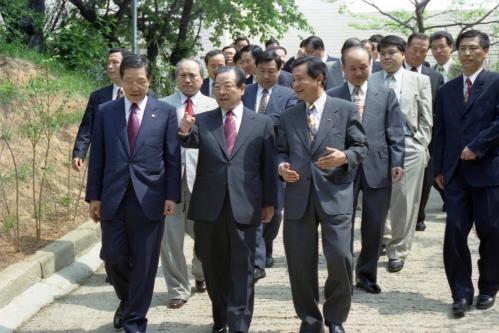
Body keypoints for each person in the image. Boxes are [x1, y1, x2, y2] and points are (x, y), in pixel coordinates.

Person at [85, 54, 181, 333]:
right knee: (113, 256)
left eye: (141, 81)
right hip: (113, 197)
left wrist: (171, 196)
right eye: (129, 81)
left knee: (145, 262)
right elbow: (98, 157)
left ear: (150, 80)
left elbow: (172, 158)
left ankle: (135, 321)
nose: (135, 87)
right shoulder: (106, 111)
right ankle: (128, 301)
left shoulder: (163, 112)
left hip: (150, 198)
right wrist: (94, 196)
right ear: (120, 80)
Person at [178, 66, 277, 333]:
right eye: (217, 86)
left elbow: (268, 167)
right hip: (209, 208)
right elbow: (190, 141)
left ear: (242, 89)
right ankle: (221, 316)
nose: (221, 92)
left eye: (227, 86)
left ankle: (239, 324)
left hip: (245, 207)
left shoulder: (262, 123)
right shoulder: (203, 119)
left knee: (243, 271)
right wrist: (185, 131)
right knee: (213, 267)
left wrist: (270, 203)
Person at [277, 56, 368, 333]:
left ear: (319, 79)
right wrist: (281, 167)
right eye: (293, 79)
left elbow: (361, 146)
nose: (295, 85)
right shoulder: (288, 114)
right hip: (298, 197)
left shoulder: (345, 109)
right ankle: (309, 319)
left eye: (300, 79)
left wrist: (344, 156)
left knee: (341, 257)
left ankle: (336, 317)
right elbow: (280, 150)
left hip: (335, 195)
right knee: (299, 264)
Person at [327, 45, 405, 294]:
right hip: (342, 167)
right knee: (341, 224)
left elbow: (395, 131)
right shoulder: (333, 95)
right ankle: (341, 277)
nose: (359, 73)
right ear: (342, 69)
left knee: (374, 225)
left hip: (378, 166)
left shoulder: (385, 92)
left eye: (364, 67)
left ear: (371, 65)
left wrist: (397, 162)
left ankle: (366, 275)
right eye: (353, 68)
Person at [433, 29, 499, 318]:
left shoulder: (496, 83)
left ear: (485, 52)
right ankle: (460, 293)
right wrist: (437, 168)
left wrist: (477, 146)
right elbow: (440, 131)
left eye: (473, 48)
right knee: (455, 233)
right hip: (455, 174)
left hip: (488, 171)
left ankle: (488, 288)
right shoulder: (446, 90)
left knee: (492, 231)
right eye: (463, 48)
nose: (467, 53)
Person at [159, 59, 218, 309]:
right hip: (169, 183)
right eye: (182, 75)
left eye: (193, 75)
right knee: (170, 238)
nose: (187, 79)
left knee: (203, 236)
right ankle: (177, 289)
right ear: (176, 78)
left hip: (203, 181)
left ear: (202, 78)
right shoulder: (161, 106)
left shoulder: (214, 106)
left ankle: (201, 273)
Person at [371, 35, 432, 273]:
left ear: (403, 54)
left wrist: (421, 143)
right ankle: (384, 240)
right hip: (377, 147)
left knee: (404, 200)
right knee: (378, 197)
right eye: (383, 53)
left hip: (409, 145)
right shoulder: (371, 80)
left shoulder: (419, 80)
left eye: (392, 53)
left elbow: (426, 116)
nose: (387, 57)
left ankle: (399, 249)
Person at [241, 50, 298, 279]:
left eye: (271, 71)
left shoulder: (289, 94)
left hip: (275, 157)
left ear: (279, 69)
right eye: (261, 71)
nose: (265, 76)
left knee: (274, 209)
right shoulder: (245, 91)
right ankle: (256, 253)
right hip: (245, 156)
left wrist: (254, 120)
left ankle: (265, 245)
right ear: (254, 69)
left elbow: (286, 120)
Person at [403, 32, 445, 232]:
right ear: (405, 49)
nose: (418, 55)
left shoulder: (435, 77)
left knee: (425, 181)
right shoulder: (393, 72)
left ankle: (418, 216)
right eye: (414, 50)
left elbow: (439, 110)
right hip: (397, 138)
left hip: (426, 139)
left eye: (423, 51)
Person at [72, 48, 131, 171]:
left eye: (115, 62)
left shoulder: (143, 95)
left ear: (126, 65)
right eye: (108, 63)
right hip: (104, 161)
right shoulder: (97, 96)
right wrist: (79, 153)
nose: (110, 66)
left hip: (133, 161)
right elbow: (86, 128)